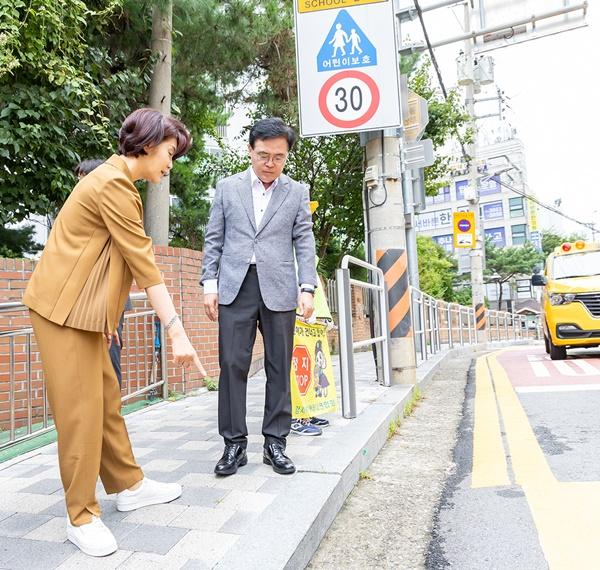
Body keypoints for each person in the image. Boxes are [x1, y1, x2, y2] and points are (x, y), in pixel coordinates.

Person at [23, 108, 206, 557]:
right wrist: (176, 330)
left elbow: (111, 261)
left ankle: (128, 484)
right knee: (80, 413)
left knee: (106, 401)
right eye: (168, 153)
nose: (170, 163)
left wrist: (106, 321)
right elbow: (143, 264)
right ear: (145, 145)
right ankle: (81, 515)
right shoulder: (112, 185)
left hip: (81, 313)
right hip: (61, 312)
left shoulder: (115, 181)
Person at [202, 117, 317, 476]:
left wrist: (307, 287)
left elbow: (304, 240)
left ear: (286, 157)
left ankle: (275, 444)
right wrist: (210, 284)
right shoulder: (227, 187)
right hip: (235, 286)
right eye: (263, 155)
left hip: (280, 287)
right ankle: (234, 445)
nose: (270, 163)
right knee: (232, 365)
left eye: (278, 157)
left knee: (279, 366)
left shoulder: (296, 192)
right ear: (250, 150)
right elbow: (214, 238)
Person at [74, 158, 131, 388]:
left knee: (109, 361)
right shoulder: (79, 215)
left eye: (83, 181)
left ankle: (111, 418)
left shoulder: (113, 211)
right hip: (84, 300)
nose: (79, 188)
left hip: (109, 299)